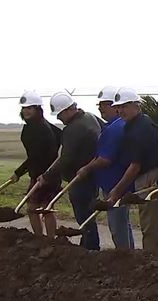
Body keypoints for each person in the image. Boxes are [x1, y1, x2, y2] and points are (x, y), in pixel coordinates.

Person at [106, 87, 158, 256]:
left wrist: (117, 190)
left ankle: (152, 263)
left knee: (149, 227)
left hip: (150, 177)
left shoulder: (139, 129)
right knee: (153, 226)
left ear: (136, 106)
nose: (120, 110)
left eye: (125, 106)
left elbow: (135, 165)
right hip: (152, 174)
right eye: (118, 107)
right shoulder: (139, 123)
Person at [41, 92, 103, 250]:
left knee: (84, 215)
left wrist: (47, 177)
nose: (58, 118)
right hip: (93, 174)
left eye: (60, 114)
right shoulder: (90, 117)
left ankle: (91, 248)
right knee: (88, 213)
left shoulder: (73, 129)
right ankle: (87, 243)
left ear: (68, 110)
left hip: (81, 178)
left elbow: (66, 158)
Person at [77, 86, 134, 249]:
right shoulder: (114, 126)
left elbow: (105, 159)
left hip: (115, 184)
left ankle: (125, 257)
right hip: (116, 182)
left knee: (118, 226)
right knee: (122, 224)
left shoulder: (116, 128)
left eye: (103, 105)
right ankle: (129, 254)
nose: (100, 109)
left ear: (115, 107)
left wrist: (86, 168)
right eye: (99, 106)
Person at [11, 91, 62, 237]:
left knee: (39, 208)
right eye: (24, 108)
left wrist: (18, 173)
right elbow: (35, 156)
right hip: (42, 173)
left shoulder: (41, 130)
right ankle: (43, 239)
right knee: (43, 208)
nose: (26, 111)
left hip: (46, 175)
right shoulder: (35, 127)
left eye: (30, 108)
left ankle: (46, 239)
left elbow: (37, 157)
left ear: (38, 109)